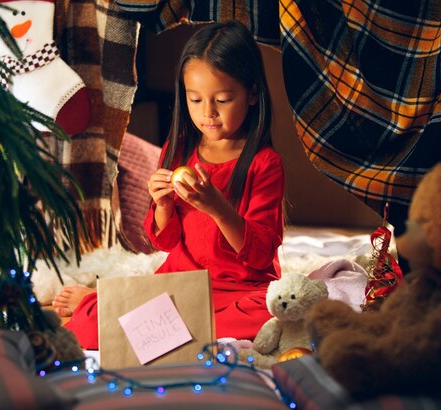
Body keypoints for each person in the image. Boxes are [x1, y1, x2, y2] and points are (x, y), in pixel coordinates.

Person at [53, 20, 285, 349]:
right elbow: (164, 241)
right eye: (196, 100)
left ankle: (142, 322)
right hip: (181, 285)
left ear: (252, 95)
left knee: (268, 315)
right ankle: (106, 305)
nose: (209, 113)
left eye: (222, 100)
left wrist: (218, 208)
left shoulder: (265, 164)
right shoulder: (178, 150)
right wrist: (162, 204)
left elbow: (261, 256)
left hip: (240, 290)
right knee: (88, 330)